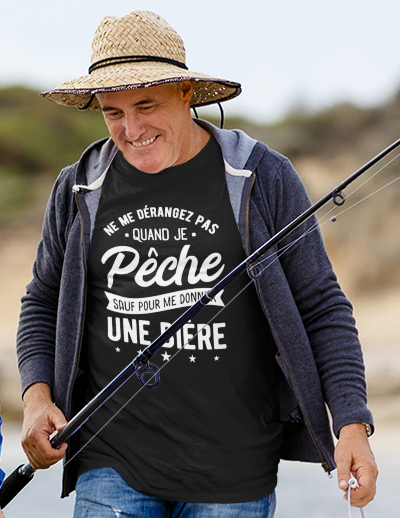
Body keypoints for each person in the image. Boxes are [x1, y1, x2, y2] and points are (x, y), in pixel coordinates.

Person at [17, 9, 378, 518]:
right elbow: (41, 302)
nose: (132, 129)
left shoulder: (261, 176)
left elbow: (321, 307)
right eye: (113, 112)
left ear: (187, 94)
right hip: (111, 462)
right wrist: (36, 398)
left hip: (234, 470)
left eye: (146, 106)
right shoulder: (78, 187)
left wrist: (352, 425)